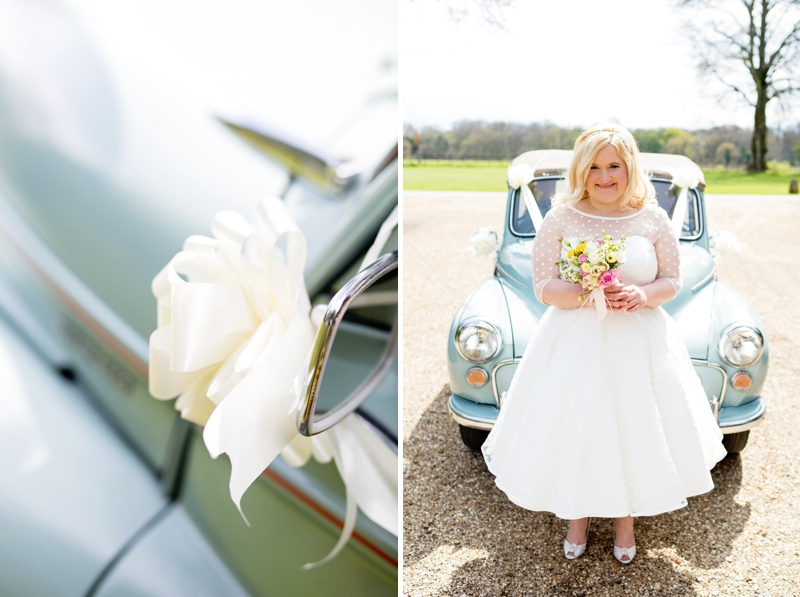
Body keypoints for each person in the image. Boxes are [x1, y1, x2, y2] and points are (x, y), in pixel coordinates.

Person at [481, 123, 727, 564]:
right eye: (594, 166)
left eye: (614, 165)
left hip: (639, 337)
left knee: (635, 425)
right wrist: (587, 289)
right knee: (580, 422)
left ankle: (625, 518)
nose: (605, 176)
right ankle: (577, 514)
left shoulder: (653, 218)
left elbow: (672, 279)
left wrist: (642, 295)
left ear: (629, 167)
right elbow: (543, 285)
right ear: (581, 170)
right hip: (577, 338)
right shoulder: (561, 217)